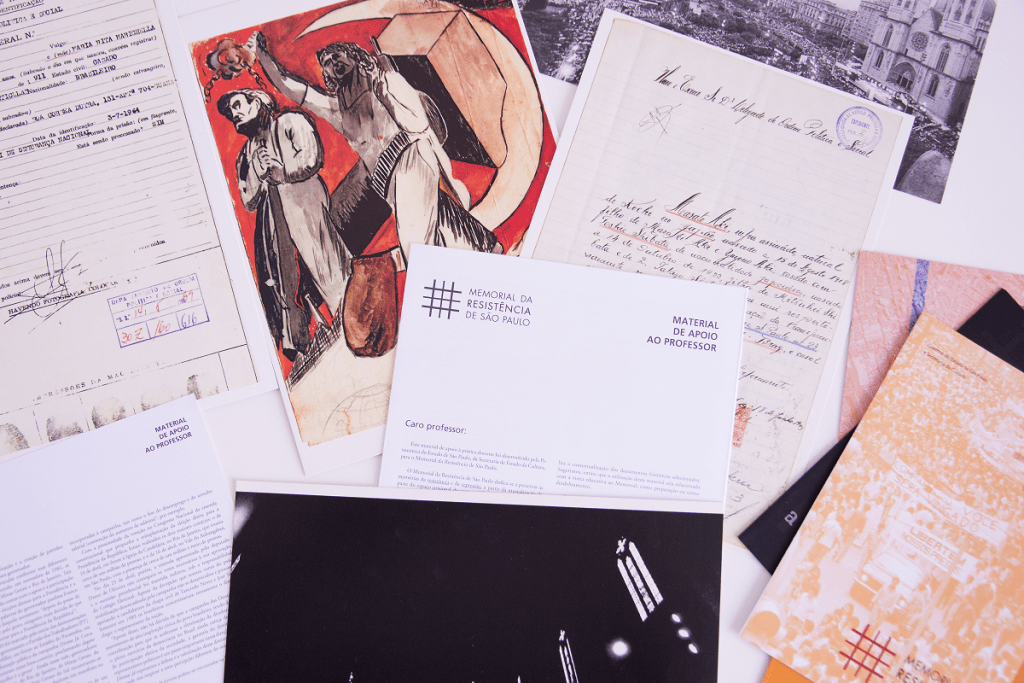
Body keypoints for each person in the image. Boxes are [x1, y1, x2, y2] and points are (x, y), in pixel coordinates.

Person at [245, 31, 502, 263]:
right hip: (387, 182)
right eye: (327, 63)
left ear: (354, 55)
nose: (333, 63)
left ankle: (431, 281)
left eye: (337, 55)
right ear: (328, 75)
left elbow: (416, 117)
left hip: (409, 158)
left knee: (414, 242)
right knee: (445, 222)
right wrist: (262, 55)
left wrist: (385, 85)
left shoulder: (381, 82)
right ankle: (486, 248)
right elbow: (290, 86)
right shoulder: (337, 111)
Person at [217, 89, 351, 361]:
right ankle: (310, 341)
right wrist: (258, 172)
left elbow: (312, 158)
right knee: (286, 283)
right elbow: (248, 200)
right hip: (274, 224)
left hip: (304, 202)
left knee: (326, 264)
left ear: (256, 101)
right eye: (231, 113)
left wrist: (281, 171)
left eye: (238, 105)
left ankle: (351, 317)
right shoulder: (246, 155)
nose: (235, 114)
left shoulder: (290, 122)